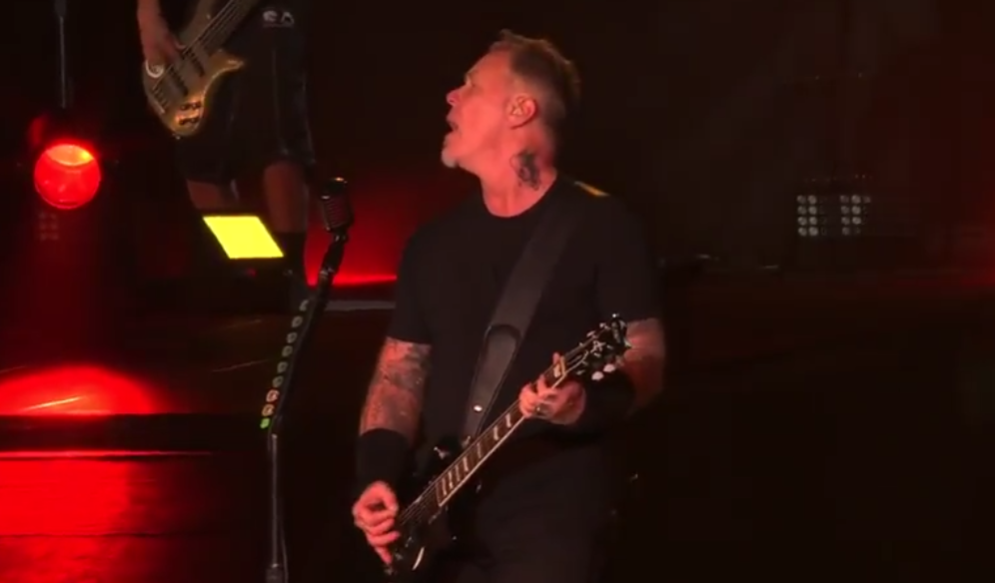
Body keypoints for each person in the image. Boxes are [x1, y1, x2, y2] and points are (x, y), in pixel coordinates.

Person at [351, 31, 667, 583]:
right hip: (438, 514)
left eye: (471, 85)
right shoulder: (431, 244)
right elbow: (400, 371)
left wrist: (582, 405)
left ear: (521, 109)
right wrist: (378, 474)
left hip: (551, 507)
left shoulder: (603, 225)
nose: (451, 96)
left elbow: (646, 356)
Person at [136, 0, 312, 304]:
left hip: (271, 10)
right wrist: (149, 17)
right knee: (201, 155)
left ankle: (288, 273)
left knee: (276, 128)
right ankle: (253, 265)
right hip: (207, 14)